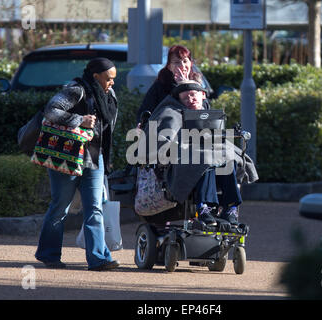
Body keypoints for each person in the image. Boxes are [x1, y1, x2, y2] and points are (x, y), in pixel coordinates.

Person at [35, 57, 120, 271]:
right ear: (95, 76)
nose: (112, 83)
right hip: (67, 154)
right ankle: (49, 254)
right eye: (109, 79)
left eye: (113, 79)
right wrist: (79, 120)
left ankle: (98, 258)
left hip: (94, 156)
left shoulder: (109, 95)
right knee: (60, 207)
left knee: (94, 207)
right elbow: (51, 111)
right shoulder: (76, 90)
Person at [140, 80, 258, 227]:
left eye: (193, 95)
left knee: (228, 157)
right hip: (181, 162)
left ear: (202, 94)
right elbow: (163, 139)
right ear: (179, 100)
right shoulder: (171, 112)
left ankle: (230, 208)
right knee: (205, 158)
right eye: (185, 97)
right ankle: (204, 208)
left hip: (209, 156)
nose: (190, 99)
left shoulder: (209, 115)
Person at [136, 45, 210, 123]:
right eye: (177, 62)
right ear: (169, 66)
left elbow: (205, 107)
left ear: (191, 64)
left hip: (195, 129)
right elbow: (145, 111)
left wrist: (186, 86)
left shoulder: (197, 82)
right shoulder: (161, 85)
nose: (182, 66)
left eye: (185, 61)